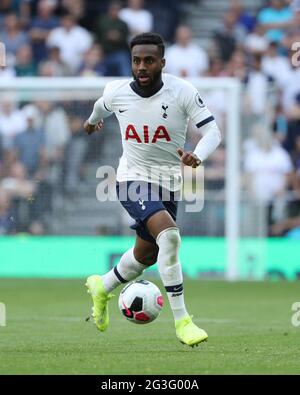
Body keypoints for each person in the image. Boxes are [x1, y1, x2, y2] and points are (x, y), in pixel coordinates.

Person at [83, 33, 221, 347]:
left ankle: (102, 286)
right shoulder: (117, 92)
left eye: (148, 60)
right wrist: (91, 124)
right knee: (170, 236)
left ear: (162, 62)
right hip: (130, 179)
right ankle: (183, 322)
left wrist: (198, 155)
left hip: (169, 184)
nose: (141, 67)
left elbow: (213, 131)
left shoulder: (182, 91)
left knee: (146, 255)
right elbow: (98, 107)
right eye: (136, 60)